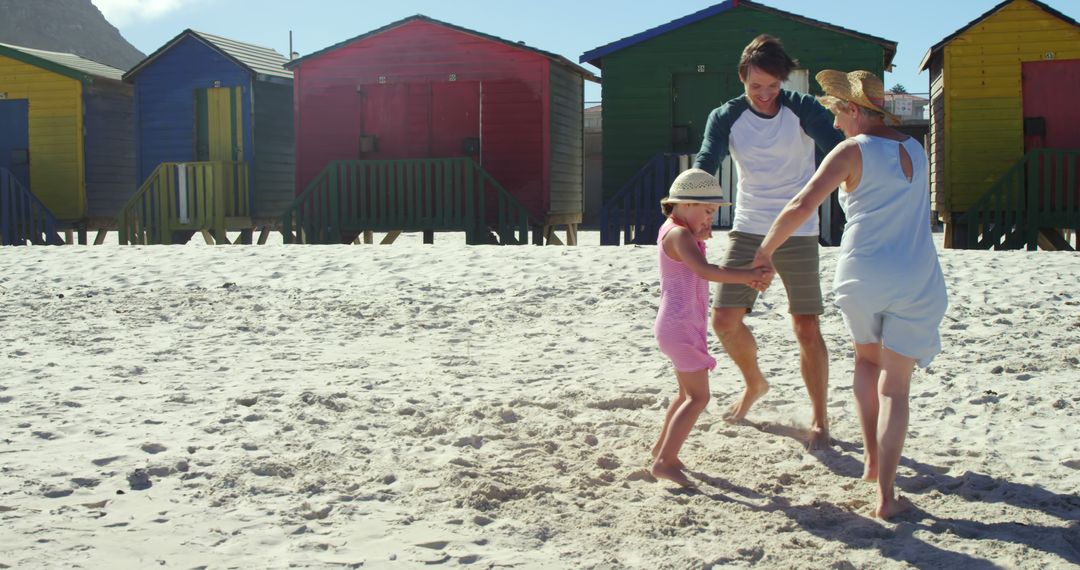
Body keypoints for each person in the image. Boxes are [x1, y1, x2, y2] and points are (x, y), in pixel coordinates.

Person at [753, 69, 948, 519]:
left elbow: (802, 204)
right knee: (896, 389)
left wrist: (764, 251)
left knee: (866, 362)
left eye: (839, 112)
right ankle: (886, 495)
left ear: (856, 109)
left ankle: (872, 464)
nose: (837, 123)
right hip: (917, 274)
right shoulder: (917, 150)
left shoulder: (851, 150)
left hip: (864, 272)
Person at [693, 34, 845, 449]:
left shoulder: (802, 108)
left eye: (773, 86)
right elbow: (708, 158)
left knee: (806, 327)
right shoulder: (726, 115)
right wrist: (692, 204)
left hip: (799, 226)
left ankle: (819, 418)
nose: (765, 95)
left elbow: (839, 149)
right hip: (750, 224)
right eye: (756, 85)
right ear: (742, 78)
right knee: (724, 320)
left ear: (784, 80)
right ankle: (755, 383)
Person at [651, 169, 772, 487]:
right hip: (680, 328)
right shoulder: (678, 235)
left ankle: (661, 450)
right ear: (685, 204)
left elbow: (696, 261)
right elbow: (704, 271)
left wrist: (701, 234)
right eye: (707, 211)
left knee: (685, 395)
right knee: (698, 398)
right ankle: (665, 461)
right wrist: (748, 275)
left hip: (677, 326)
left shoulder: (676, 231)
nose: (709, 219)